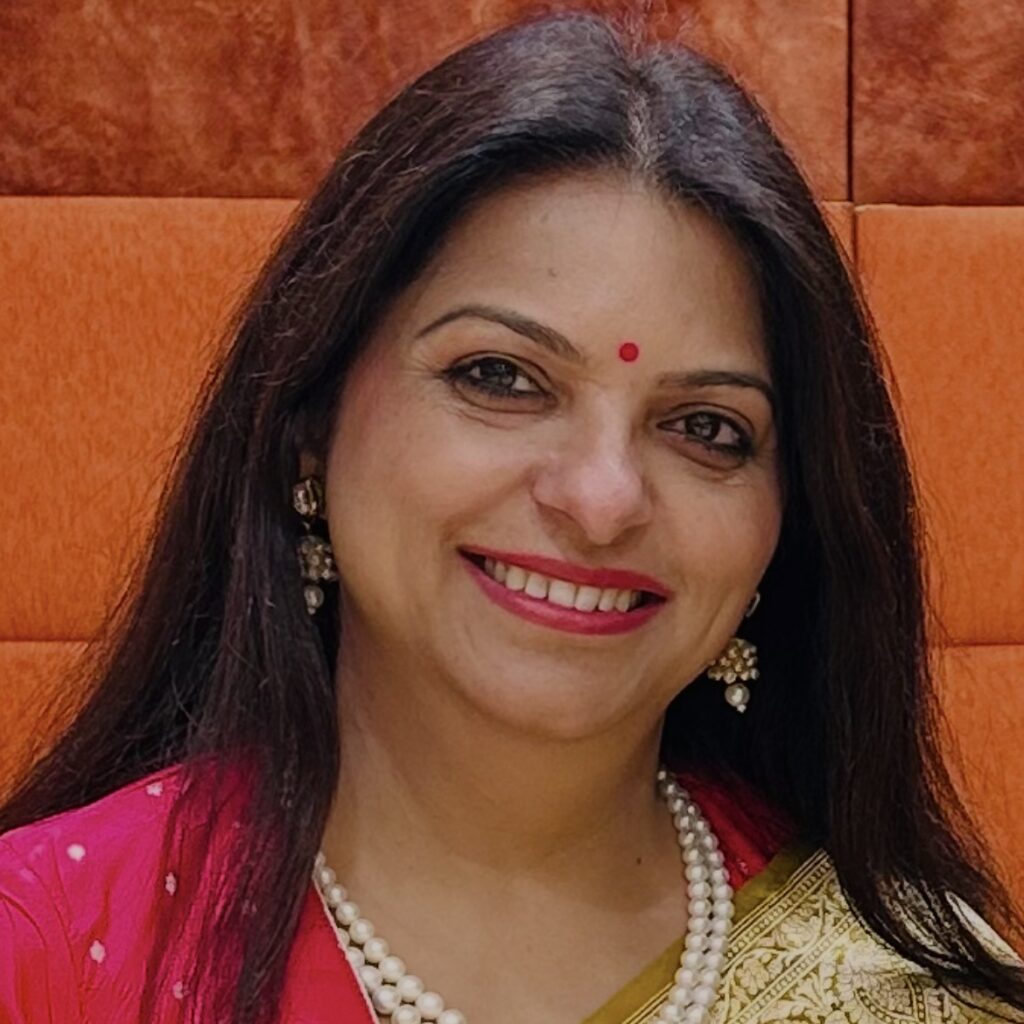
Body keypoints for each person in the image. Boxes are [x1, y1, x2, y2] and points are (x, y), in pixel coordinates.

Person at [1, 9, 1022, 1024]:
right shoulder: (55, 947)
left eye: (706, 428)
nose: (602, 497)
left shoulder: (906, 997)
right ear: (309, 421)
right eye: (500, 376)